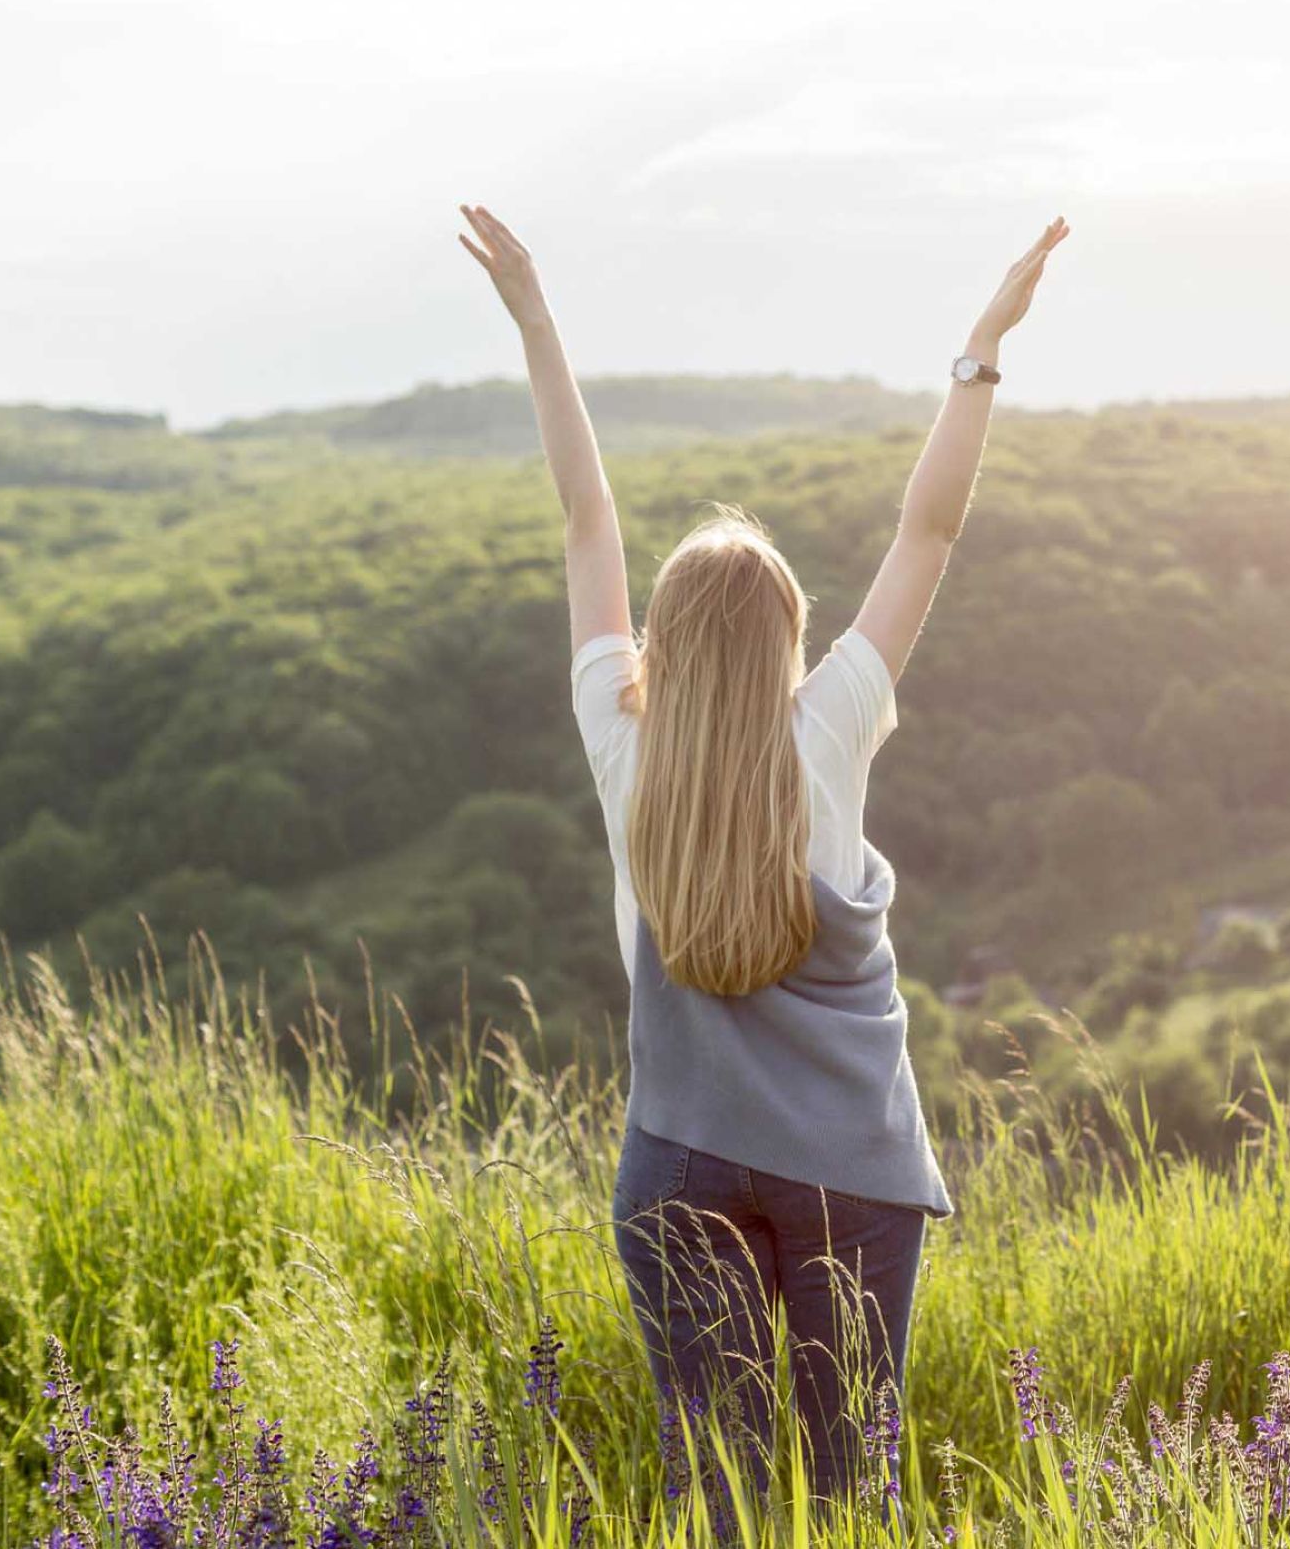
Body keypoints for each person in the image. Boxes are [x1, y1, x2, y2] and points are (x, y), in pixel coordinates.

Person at [456, 201, 1069, 1513]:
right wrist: (981, 349)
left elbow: (586, 521)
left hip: (675, 1158)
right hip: (851, 1166)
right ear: (788, 641)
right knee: (848, 1495)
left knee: (722, 1494)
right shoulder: (828, 731)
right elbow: (927, 534)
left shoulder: (623, 740)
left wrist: (537, 321)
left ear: (662, 643)